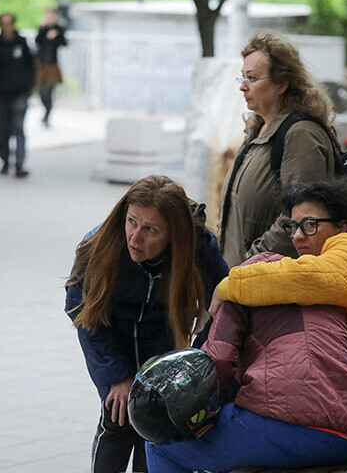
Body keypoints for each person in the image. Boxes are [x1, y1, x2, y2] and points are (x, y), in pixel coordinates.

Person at [145, 252, 347, 472]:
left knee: (162, 443)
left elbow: (216, 363)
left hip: (284, 426)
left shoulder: (241, 284)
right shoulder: (323, 291)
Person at [65, 175, 229, 473]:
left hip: (163, 342)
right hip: (112, 338)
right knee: (117, 419)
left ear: (173, 234)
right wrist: (116, 376)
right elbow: (81, 313)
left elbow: (224, 306)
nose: (135, 238)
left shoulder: (198, 247)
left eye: (150, 229)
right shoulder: (97, 247)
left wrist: (194, 361)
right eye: (131, 222)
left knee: (157, 428)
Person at [212, 176, 347, 364]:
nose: (297, 236)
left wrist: (230, 285)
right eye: (293, 226)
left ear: (341, 227)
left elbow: (304, 277)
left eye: (310, 224)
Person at [218, 30, 338, 268]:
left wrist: (251, 262)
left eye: (252, 78)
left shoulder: (300, 134)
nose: (243, 87)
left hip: (270, 286)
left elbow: (300, 221)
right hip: (243, 284)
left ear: (282, 83)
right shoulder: (258, 129)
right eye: (242, 77)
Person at [0, 13, 36, 178]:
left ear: (13, 24)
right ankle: (5, 160)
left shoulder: (22, 43)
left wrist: (30, 88)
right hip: (1, 93)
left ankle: (19, 163)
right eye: (3, 24)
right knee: (3, 129)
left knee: (18, 128)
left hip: (20, 93)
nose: (6, 27)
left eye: (9, 24)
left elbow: (32, 66)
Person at [35, 8, 66, 128]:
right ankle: (46, 110)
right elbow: (37, 41)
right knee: (41, 90)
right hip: (41, 63)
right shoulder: (42, 28)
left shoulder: (59, 29)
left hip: (52, 63)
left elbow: (64, 43)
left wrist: (56, 37)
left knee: (49, 90)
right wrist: (43, 31)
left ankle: (47, 115)